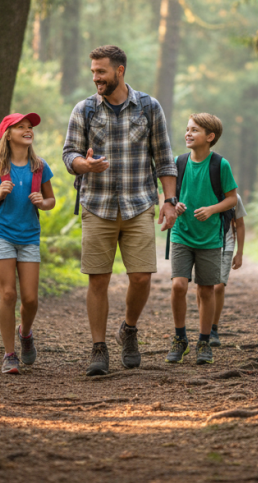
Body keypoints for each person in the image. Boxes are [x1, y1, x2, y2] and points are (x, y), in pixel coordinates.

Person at [62, 45, 177, 376]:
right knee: (98, 279)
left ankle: (128, 329)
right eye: (93, 72)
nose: (96, 78)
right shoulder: (84, 110)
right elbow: (69, 154)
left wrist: (169, 201)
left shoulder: (148, 107)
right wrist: (86, 164)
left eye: (101, 71)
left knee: (141, 277)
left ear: (120, 71)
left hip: (139, 202)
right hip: (96, 205)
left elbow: (164, 158)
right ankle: (99, 347)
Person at [0, 113, 56, 375]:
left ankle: (26, 332)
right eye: (20, 127)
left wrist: (42, 203)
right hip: (2, 234)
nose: (27, 130)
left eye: (29, 127)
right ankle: (9, 355)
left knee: (30, 299)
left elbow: (51, 200)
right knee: (8, 293)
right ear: (7, 134)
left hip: (29, 235)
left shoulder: (40, 166)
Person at [166, 113, 237, 365]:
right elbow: (170, 195)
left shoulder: (220, 165)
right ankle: (179, 338)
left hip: (210, 238)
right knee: (178, 286)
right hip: (182, 234)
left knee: (206, 290)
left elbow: (232, 199)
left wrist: (212, 209)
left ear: (210, 137)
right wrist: (177, 205)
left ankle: (204, 341)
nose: (188, 133)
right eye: (187, 129)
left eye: (194, 130)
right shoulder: (178, 162)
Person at [196, 194, 246, 347]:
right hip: (203, 244)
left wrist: (239, 253)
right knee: (203, 286)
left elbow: (240, 224)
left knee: (218, 286)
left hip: (226, 245)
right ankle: (204, 327)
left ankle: (213, 328)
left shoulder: (234, 198)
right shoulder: (202, 192)